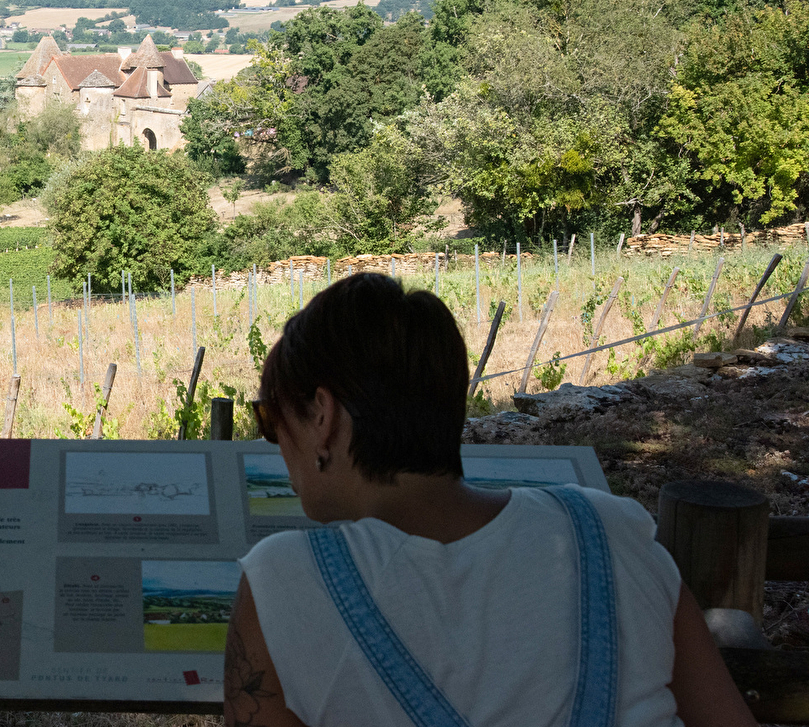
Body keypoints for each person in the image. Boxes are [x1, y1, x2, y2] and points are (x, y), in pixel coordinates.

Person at [227, 273, 755, 727]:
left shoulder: (282, 580)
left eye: (273, 421)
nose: (276, 443)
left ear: (323, 415)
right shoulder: (615, 530)